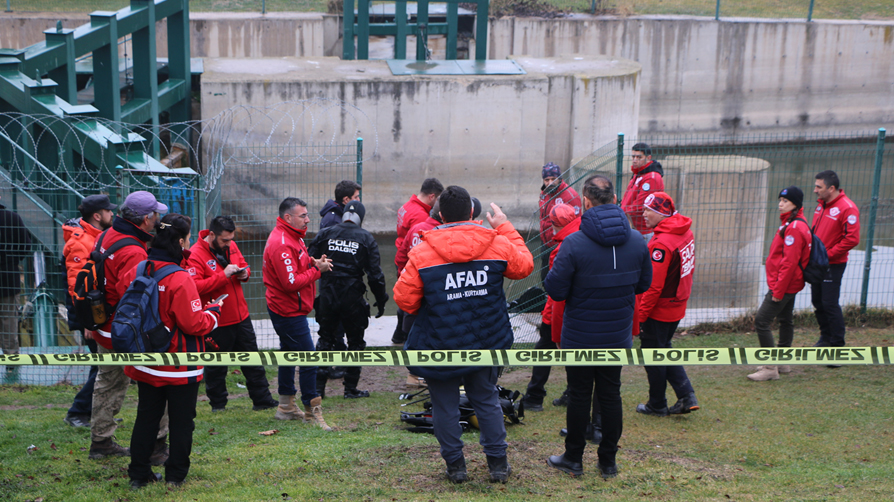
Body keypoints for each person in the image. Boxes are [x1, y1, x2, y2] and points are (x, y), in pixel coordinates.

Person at [394, 186, 533, 484]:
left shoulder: (422, 252)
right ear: (471, 212)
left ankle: (456, 467)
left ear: (441, 215)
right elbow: (525, 266)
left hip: (439, 343)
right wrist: (505, 226)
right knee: (486, 400)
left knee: (444, 406)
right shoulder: (497, 242)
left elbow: (405, 300)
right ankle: (498, 466)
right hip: (487, 341)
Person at [545, 175, 651, 479]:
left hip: (580, 336)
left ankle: (574, 458)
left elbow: (555, 290)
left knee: (580, 395)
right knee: (610, 394)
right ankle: (607, 461)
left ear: (586, 202)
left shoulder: (574, 243)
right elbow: (643, 284)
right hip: (616, 335)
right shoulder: (637, 240)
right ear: (615, 199)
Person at [125, 214, 223, 489]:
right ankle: (175, 476)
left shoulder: (140, 268)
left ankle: (138, 475)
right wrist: (213, 313)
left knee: (146, 417)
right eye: (189, 238)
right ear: (180, 242)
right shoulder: (180, 278)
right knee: (182, 422)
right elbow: (194, 323)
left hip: (146, 359)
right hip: (180, 362)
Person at [89, 191, 170, 463]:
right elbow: (134, 296)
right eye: (156, 214)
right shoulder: (134, 251)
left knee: (107, 383)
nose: (158, 219)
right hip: (126, 332)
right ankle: (157, 445)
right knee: (156, 382)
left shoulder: (107, 235)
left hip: (104, 325)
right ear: (146, 219)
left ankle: (100, 441)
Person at [187, 216, 278, 411]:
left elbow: (244, 264)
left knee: (253, 361)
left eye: (231, 239)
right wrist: (224, 275)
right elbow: (194, 287)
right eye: (225, 240)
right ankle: (218, 405)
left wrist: (245, 274)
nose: (229, 243)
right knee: (216, 366)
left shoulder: (232, 246)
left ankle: (262, 400)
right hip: (216, 321)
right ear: (212, 235)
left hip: (241, 316)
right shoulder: (195, 254)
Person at [263, 197, 333, 429]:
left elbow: (296, 265)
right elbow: (290, 282)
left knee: (288, 354)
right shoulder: (282, 243)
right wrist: (317, 271)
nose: (308, 219)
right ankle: (312, 411)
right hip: (287, 311)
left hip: (291, 308)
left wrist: (313, 262)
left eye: (307, 214)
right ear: (288, 217)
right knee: (309, 358)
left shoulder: (293, 236)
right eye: (303, 215)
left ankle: (286, 407)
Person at [309, 201, 388, 399]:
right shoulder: (366, 238)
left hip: (328, 294)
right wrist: (381, 299)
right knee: (355, 342)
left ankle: (318, 389)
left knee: (325, 339)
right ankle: (350, 389)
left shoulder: (325, 233)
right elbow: (375, 275)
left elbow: (307, 261)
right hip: (352, 297)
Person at [633, 192, 699, 414]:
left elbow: (653, 287)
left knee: (653, 355)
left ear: (661, 213)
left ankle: (657, 404)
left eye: (648, 210)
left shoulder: (661, 244)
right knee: (663, 349)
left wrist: (641, 316)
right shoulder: (684, 231)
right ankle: (687, 395)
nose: (643, 214)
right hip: (677, 306)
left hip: (659, 311)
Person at [62, 194, 116, 427]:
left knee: (103, 364)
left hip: (97, 312)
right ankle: (78, 412)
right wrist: (87, 322)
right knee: (104, 365)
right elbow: (77, 287)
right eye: (108, 211)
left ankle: (95, 412)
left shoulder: (98, 237)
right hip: (89, 314)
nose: (112, 213)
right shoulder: (80, 242)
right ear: (97, 216)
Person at [748, 187, 811, 381]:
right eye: (780, 200)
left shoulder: (794, 228)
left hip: (785, 284)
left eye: (785, 201)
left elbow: (789, 263)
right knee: (785, 319)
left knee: (762, 321)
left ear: (795, 204)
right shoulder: (791, 222)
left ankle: (770, 367)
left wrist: (778, 290)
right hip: (790, 283)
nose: (780, 204)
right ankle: (782, 361)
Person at [522, 203, 579, 412]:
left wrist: (551, 320)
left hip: (558, 312)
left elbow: (557, 292)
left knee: (543, 352)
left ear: (555, 224)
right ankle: (571, 392)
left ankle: (534, 397)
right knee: (573, 355)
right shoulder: (580, 239)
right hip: (576, 311)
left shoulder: (561, 250)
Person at [317, 180, 362, 381]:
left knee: (337, 325)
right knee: (333, 326)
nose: (359, 201)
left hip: (336, 282)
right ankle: (331, 366)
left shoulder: (336, 217)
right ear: (346, 200)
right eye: (356, 197)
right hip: (333, 282)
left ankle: (338, 362)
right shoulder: (333, 220)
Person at [810, 170, 860, 351]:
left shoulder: (848, 208)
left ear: (831, 188)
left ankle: (837, 346)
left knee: (829, 303)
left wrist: (827, 255)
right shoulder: (821, 205)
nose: (815, 190)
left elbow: (852, 239)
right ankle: (825, 338)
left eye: (819, 187)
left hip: (833, 264)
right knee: (818, 302)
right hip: (817, 263)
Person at [392, 178, 443, 346]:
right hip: (413, 264)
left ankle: (399, 335)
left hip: (403, 256)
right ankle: (407, 337)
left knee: (404, 300)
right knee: (412, 305)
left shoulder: (406, 207)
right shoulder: (421, 217)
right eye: (438, 199)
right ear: (432, 196)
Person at [0, 194, 31, 384]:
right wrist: (11, 259)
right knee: (9, 319)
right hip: (8, 275)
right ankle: (11, 357)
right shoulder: (12, 218)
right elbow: (25, 246)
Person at [538, 162, 581, 282]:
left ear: (560, 178)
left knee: (559, 278)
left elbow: (577, 223)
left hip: (561, 245)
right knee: (545, 278)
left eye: (553, 179)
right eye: (547, 180)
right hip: (546, 243)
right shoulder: (544, 193)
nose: (550, 183)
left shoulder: (570, 196)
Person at [620, 143, 665, 240]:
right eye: (633, 157)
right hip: (636, 227)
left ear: (648, 158)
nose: (635, 160)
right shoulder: (638, 173)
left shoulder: (651, 178)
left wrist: (621, 213)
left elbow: (641, 205)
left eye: (639, 157)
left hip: (645, 231)